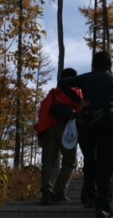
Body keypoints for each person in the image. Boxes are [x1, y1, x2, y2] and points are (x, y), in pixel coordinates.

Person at [58, 50, 113, 218]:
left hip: (87, 122)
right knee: (105, 164)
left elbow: (62, 83)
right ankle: (103, 205)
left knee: (90, 161)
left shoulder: (85, 78)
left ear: (93, 64)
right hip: (109, 123)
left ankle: (89, 197)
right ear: (109, 65)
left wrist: (79, 100)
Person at [34, 67, 82, 205]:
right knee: (69, 161)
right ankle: (59, 191)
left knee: (48, 161)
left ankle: (47, 188)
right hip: (66, 129)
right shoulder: (75, 92)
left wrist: (40, 135)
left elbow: (42, 114)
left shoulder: (50, 96)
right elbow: (80, 110)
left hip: (48, 129)